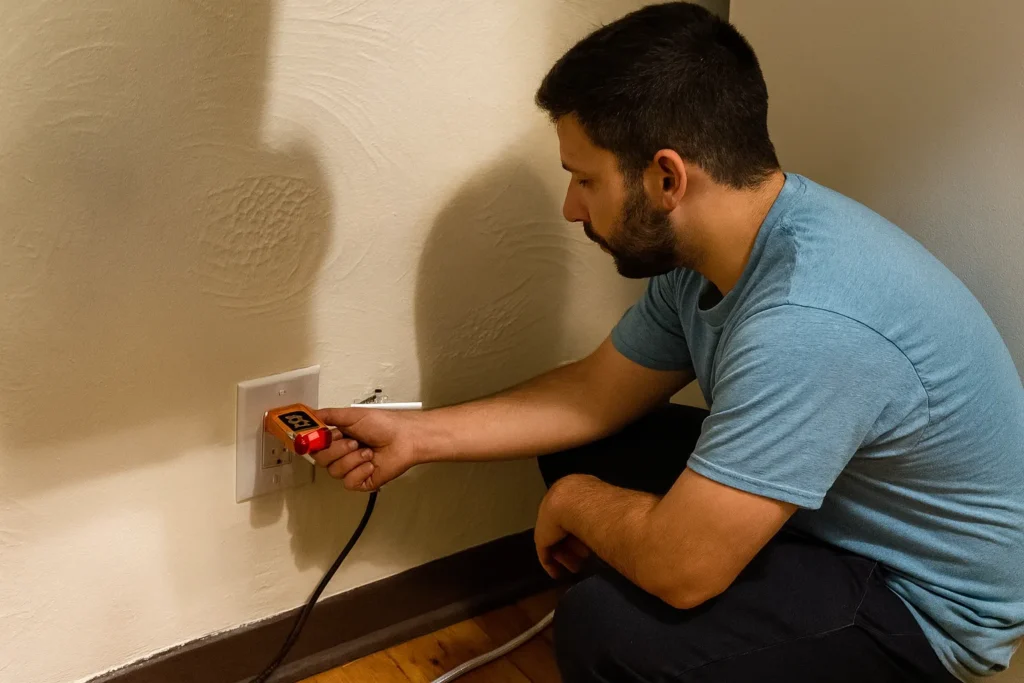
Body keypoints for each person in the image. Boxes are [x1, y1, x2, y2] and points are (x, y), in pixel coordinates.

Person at [314, 3, 1024, 682]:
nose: (571, 208)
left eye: (584, 178)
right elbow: (594, 394)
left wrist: (575, 500)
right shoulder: (722, 252)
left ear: (666, 177)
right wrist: (413, 435)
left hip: (919, 607)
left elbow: (682, 569)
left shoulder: (809, 317)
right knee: (586, 443)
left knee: (606, 629)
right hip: (829, 513)